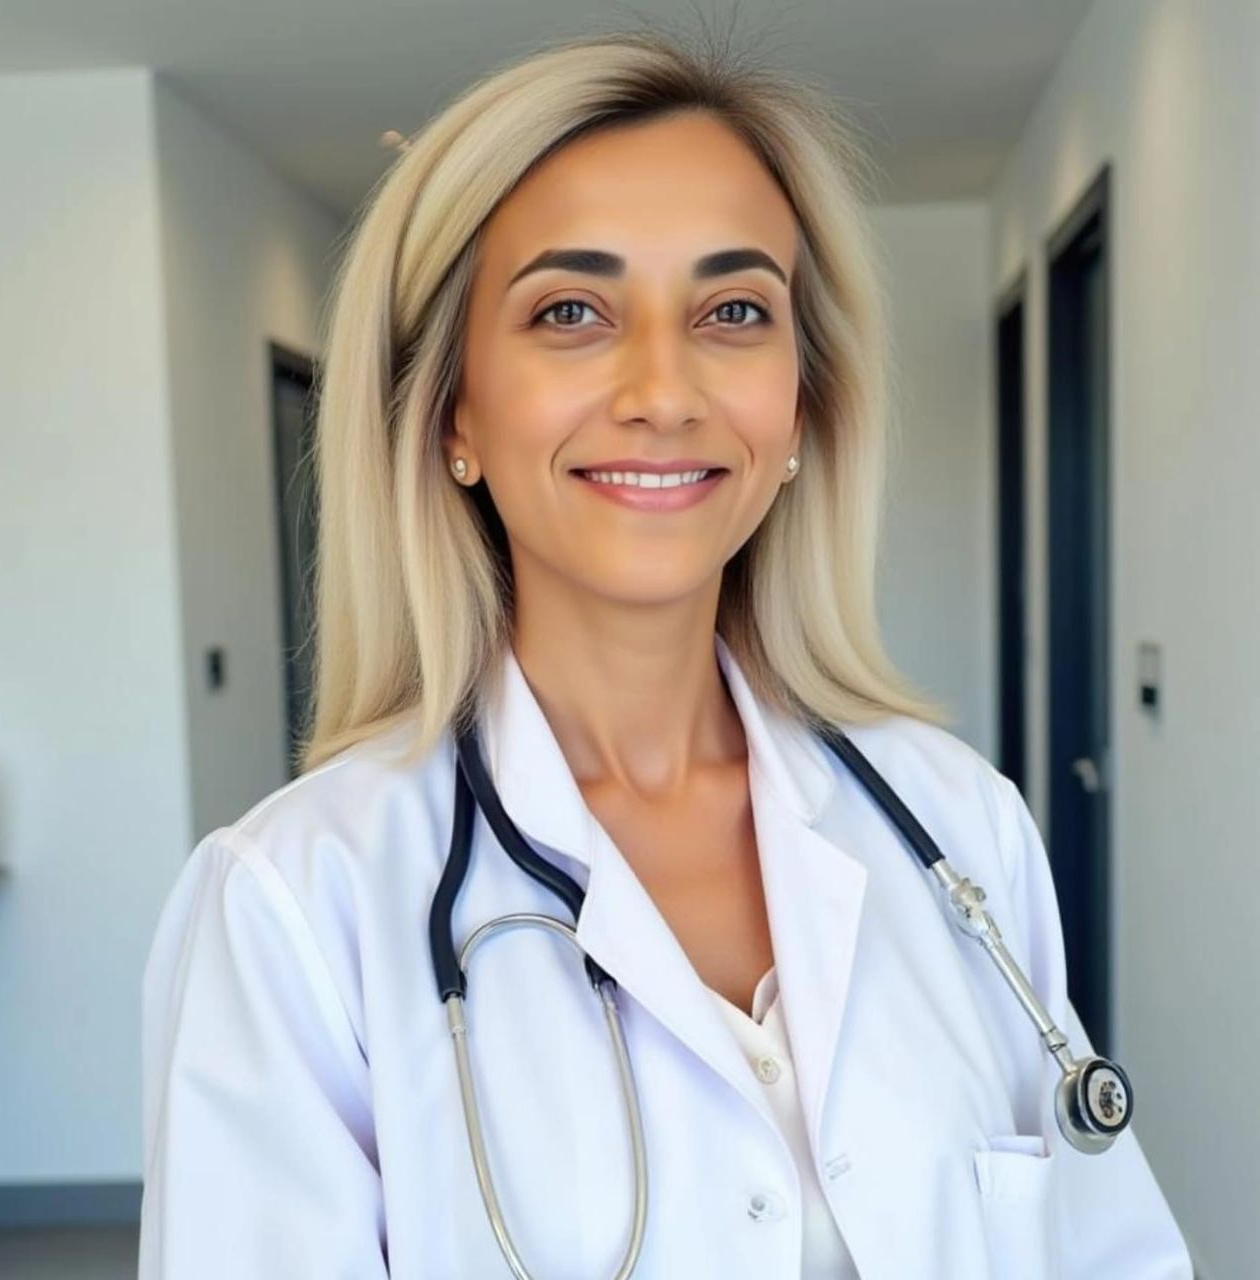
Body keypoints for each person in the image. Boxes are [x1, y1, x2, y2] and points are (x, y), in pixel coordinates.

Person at [137, 23, 1193, 1279]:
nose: (664, 389)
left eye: (732, 310)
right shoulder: (295, 908)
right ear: (453, 408)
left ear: (799, 407)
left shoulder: (959, 825)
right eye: (570, 311)